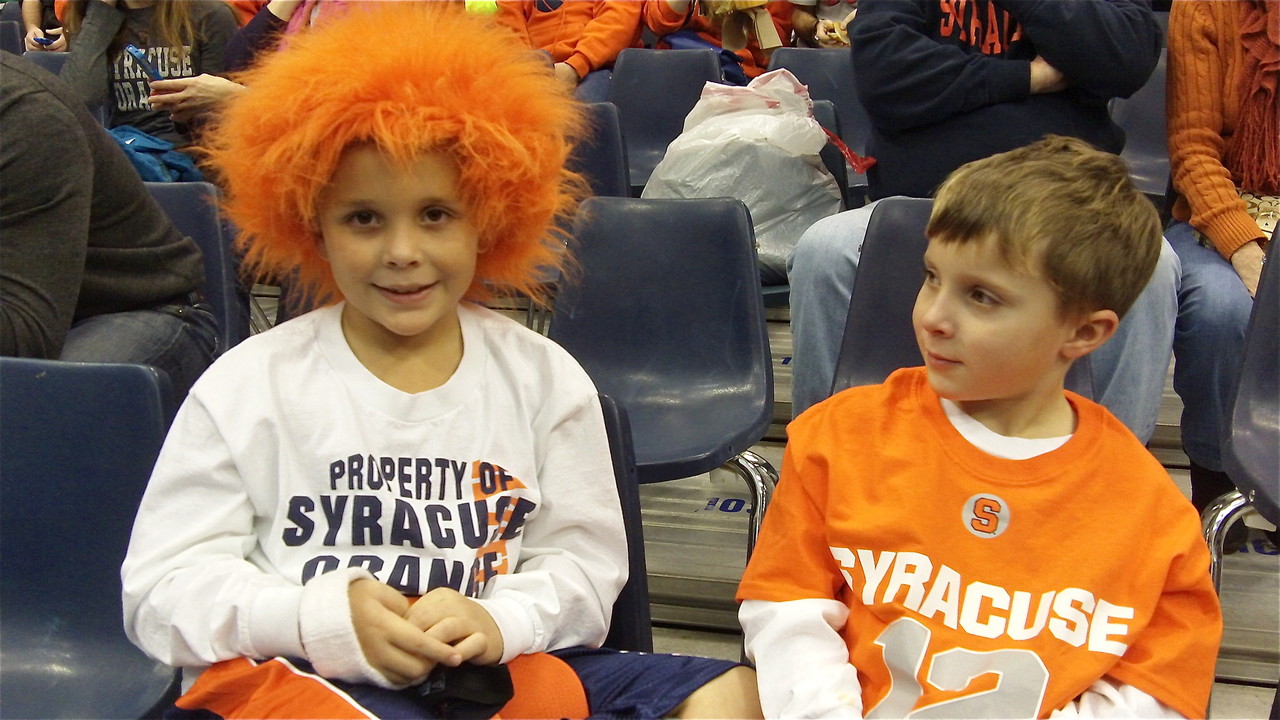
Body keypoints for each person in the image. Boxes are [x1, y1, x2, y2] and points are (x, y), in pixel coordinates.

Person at [119, 5, 762, 718]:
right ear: (311, 224)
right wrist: (312, 619)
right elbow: (160, 593)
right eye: (364, 218)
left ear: (488, 216)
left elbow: (584, 570)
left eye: (436, 215)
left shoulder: (545, 380)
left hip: (491, 668)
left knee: (733, 694)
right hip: (300, 673)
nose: (402, 251)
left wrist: (501, 621)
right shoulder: (248, 385)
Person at [738, 136, 1222, 719]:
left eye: (982, 297)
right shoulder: (840, 437)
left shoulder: (1151, 514)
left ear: (1084, 334)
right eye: (932, 277)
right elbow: (786, 606)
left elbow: (1156, 693)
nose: (934, 316)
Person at [786, 0, 1178, 449]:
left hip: (1064, 207)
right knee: (823, 250)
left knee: (1153, 269)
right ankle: (825, 460)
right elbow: (890, 78)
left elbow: (1123, 60)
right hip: (921, 202)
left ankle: (1108, 470)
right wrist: (1031, 78)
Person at [0, 54, 218, 400]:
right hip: (37, 313)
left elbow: (24, 337)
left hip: (137, 306)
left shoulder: (25, 115)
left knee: (29, 404)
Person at [1165, 0, 1276, 549]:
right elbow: (1193, 150)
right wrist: (1246, 250)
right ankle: (1218, 482)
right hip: (1221, 216)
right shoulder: (1205, 9)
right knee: (1221, 309)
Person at [57, 0, 237, 147]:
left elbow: (222, 115)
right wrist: (99, 14)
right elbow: (82, 98)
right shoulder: (93, 17)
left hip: (190, 152)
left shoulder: (209, 14)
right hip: (128, 150)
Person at [496, 0, 643, 103]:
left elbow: (617, 21)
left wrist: (574, 67)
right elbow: (509, 22)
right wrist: (525, 69)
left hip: (596, 69)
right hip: (533, 70)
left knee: (578, 118)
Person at [643, 0, 794, 85]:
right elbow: (659, 22)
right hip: (678, 66)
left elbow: (771, 52)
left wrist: (746, 16)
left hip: (738, 76)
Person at [789, 0, 856, 47]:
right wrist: (815, 27)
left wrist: (865, 13)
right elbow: (800, 12)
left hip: (863, 46)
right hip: (816, 49)